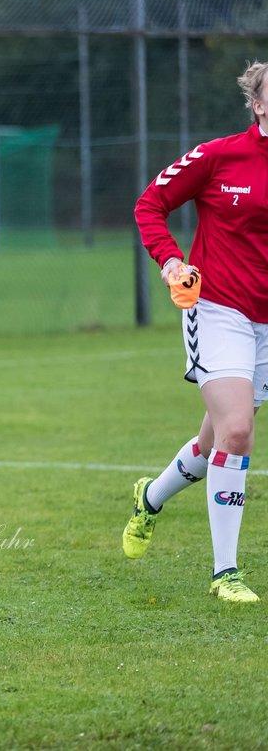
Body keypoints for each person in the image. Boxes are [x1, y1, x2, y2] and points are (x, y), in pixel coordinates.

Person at [128, 60, 268, 604]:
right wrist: (169, 262)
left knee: (217, 438)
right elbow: (150, 205)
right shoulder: (219, 156)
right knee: (236, 432)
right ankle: (224, 574)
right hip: (217, 308)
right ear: (257, 105)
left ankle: (150, 498)